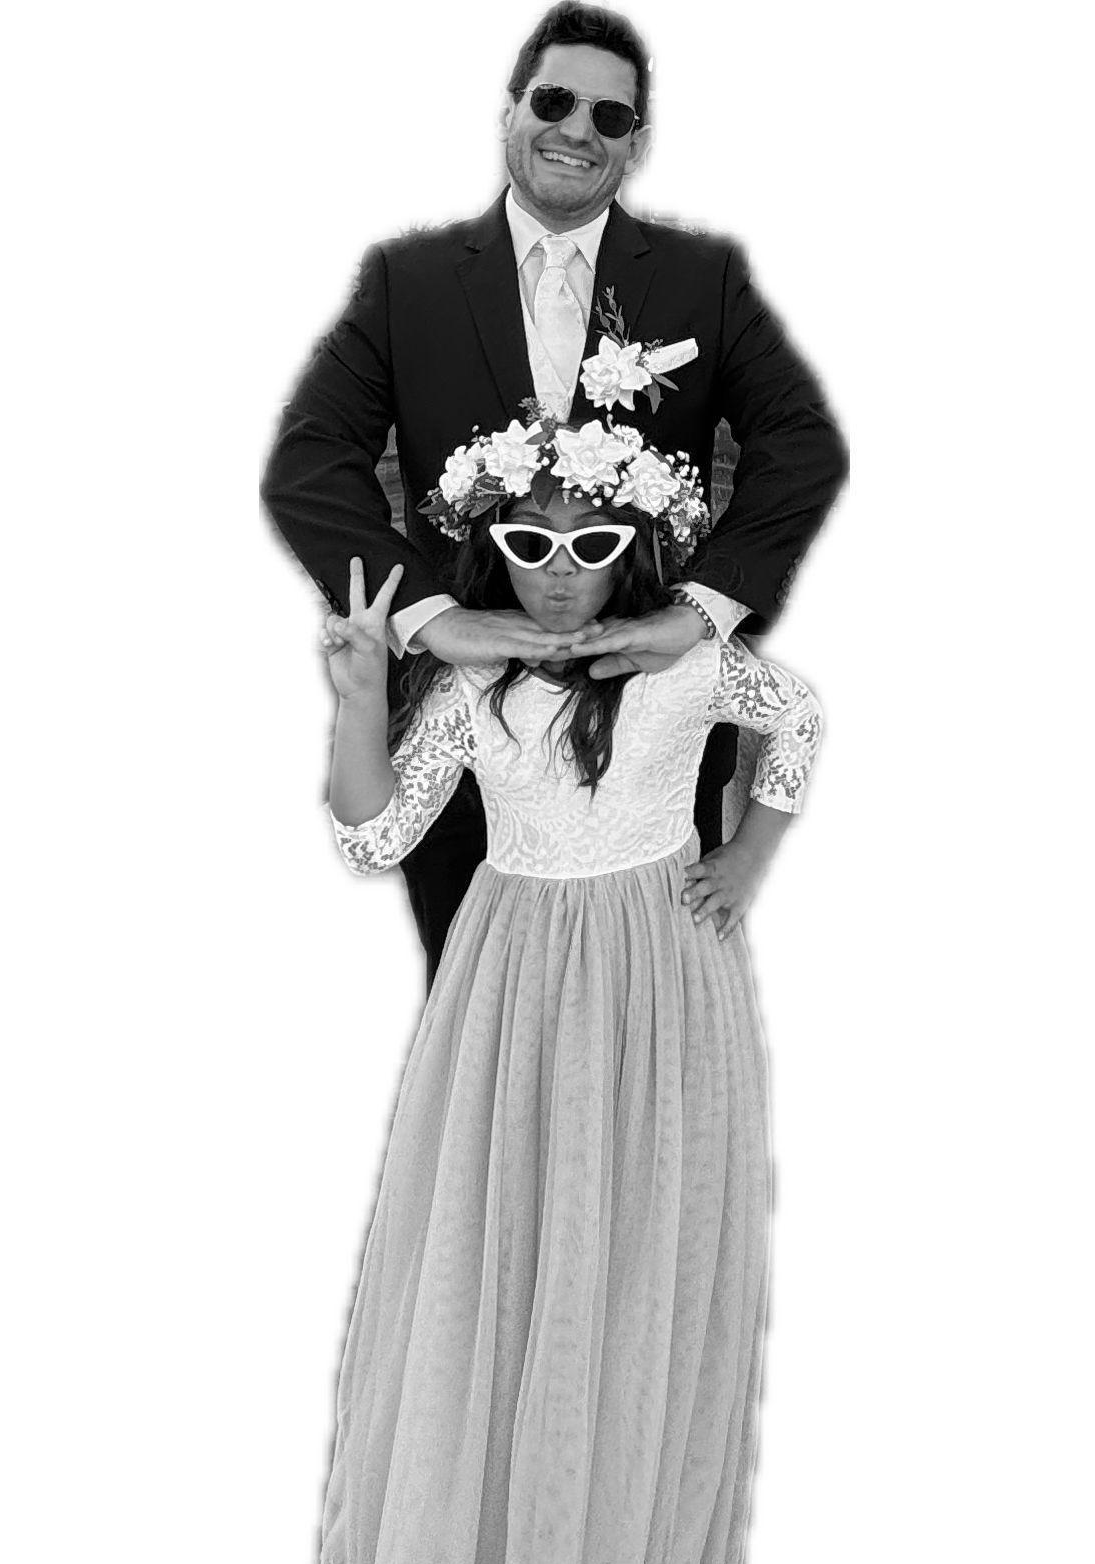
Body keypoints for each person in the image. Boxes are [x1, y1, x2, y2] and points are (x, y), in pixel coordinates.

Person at [312, 412, 824, 1564]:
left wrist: (745, 853)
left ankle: (599, 1558)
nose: (556, 570)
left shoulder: (683, 663)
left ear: (635, 544)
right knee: (488, 1244)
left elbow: (794, 716)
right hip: (512, 978)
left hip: (657, 975)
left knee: (632, 1249)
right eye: (526, 542)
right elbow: (371, 834)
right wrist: (358, 700)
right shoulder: (473, 685)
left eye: (590, 541)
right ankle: (470, 1531)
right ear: (489, 544)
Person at [263, 0, 845, 981]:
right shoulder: (406, 280)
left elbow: (801, 442)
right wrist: (435, 618)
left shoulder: (702, 278)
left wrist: (696, 615)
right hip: (466, 738)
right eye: (553, 100)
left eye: (609, 116)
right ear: (509, 109)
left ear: (636, 143)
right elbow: (309, 460)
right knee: (482, 1012)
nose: (577, 128)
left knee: (649, 1014)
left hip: (654, 730)